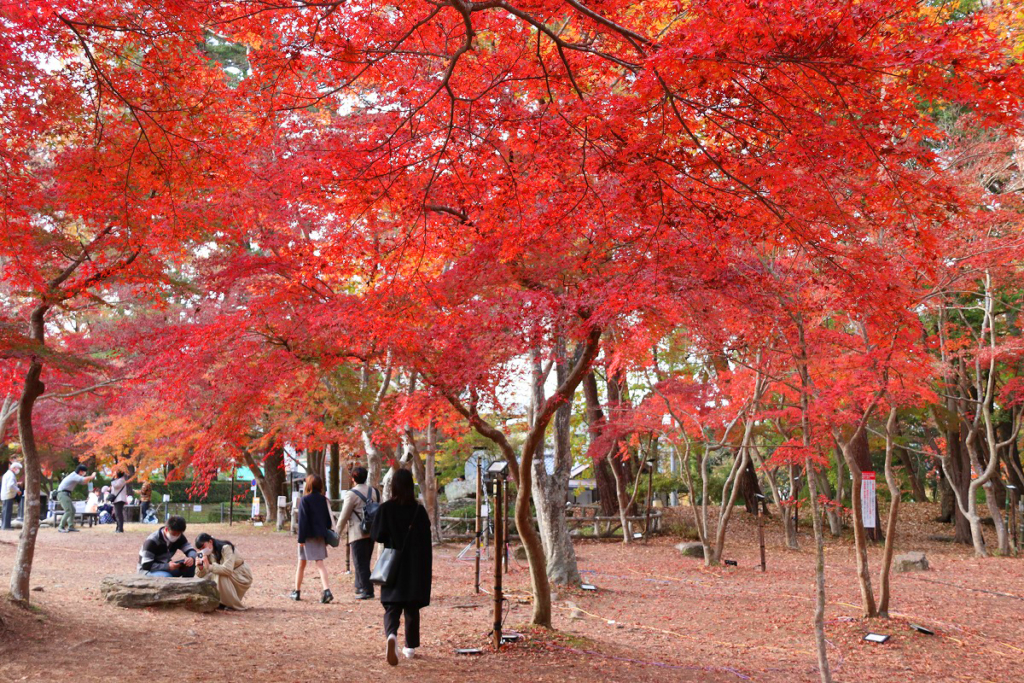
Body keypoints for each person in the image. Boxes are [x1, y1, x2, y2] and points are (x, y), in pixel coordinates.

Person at [370, 468, 432, 666]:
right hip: (414, 564)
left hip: (392, 562)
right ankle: (410, 647)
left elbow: (377, 535)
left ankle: (391, 635)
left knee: (392, 604)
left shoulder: (386, 508)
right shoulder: (418, 511)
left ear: (394, 486)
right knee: (411, 606)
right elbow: (426, 540)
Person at [335, 466, 378, 600]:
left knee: (360, 562)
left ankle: (367, 590)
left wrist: (337, 532)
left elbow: (344, 515)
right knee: (365, 560)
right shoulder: (374, 491)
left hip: (357, 532)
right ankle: (359, 586)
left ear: (353, 479)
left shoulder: (351, 494)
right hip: (372, 531)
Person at [294, 473, 334, 604]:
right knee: (319, 563)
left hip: (307, 536)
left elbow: (302, 522)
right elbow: (328, 520)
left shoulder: (305, 500)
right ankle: (325, 590)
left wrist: (300, 540)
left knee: (302, 564)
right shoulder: (323, 500)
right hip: (320, 535)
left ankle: (297, 591)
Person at [195, 532, 252, 610]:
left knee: (219, 573)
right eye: (200, 549)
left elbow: (227, 570)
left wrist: (209, 566)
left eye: (203, 547)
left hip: (240, 576)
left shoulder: (226, 548)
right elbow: (200, 575)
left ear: (210, 542)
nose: (202, 550)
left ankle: (229, 603)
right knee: (208, 575)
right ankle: (212, 600)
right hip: (229, 575)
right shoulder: (207, 553)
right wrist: (200, 567)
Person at [56, 464, 96, 533]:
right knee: (68, 510)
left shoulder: (76, 476)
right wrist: (92, 476)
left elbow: (84, 482)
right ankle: (61, 526)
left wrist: (90, 478)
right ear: (80, 471)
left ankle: (70, 526)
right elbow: (84, 479)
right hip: (62, 493)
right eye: (83, 472)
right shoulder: (74, 475)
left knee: (73, 510)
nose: (84, 474)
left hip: (65, 494)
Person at [1, 462, 22, 530]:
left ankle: (4, 526)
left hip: (5, 495)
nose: (18, 470)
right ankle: (6, 527)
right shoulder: (11, 475)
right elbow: (10, 485)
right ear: (14, 468)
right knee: (7, 511)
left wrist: (16, 484)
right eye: (18, 468)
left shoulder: (7, 474)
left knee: (5, 511)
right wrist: (18, 490)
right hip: (8, 495)